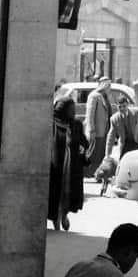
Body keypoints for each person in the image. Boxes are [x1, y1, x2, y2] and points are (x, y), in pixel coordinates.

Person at [49, 96, 89, 231]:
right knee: (57, 193)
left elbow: (84, 141)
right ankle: (56, 219)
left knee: (68, 193)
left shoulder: (76, 124)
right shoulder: (52, 123)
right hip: (56, 165)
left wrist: (82, 147)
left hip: (71, 166)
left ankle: (64, 216)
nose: (73, 112)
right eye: (70, 109)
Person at [105, 95, 138, 160]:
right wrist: (107, 155)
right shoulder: (114, 119)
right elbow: (111, 137)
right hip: (125, 146)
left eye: (124, 106)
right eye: (119, 107)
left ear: (128, 105)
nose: (122, 109)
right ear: (117, 107)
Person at [84, 76, 113, 176]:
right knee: (93, 153)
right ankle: (88, 173)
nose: (109, 87)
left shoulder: (105, 97)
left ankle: (97, 174)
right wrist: (91, 130)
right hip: (96, 131)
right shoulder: (94, 96)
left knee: (101, 154)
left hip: (105, 130)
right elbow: (90, 114)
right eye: (108, 85)